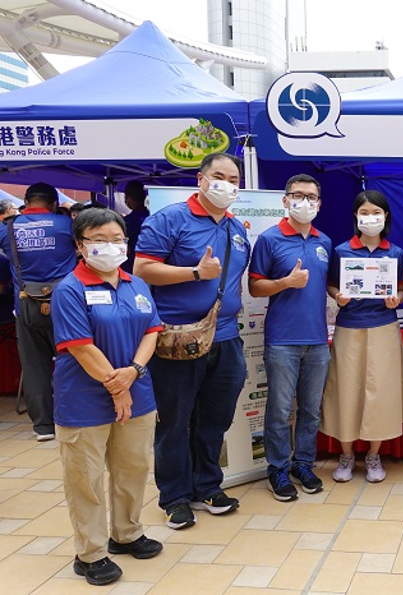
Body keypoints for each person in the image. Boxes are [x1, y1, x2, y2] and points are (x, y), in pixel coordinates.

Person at [134, 153, 250, 529]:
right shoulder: (169, 220)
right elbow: (142, 269)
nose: (226, 184)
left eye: (234, 178)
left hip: (227, 337)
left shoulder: (237, 228)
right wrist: (195, 272)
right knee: (175, 421)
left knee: (215, 419)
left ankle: (207, 486)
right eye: (219, 176)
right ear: (200, 179)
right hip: (177, 340)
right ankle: (175, 496)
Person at [51, 209, 164, 586]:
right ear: (81, 245)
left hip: (138, 392)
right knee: (85, 478)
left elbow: (152, 330)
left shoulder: (136, 284)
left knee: (132, 469)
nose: (110, 246)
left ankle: (127, 533)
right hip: (84, 399)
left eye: (118, 238)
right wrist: (117, 387)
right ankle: (91, 553)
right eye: (100, 238)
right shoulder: (70, 288)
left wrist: (132, 373)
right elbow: (81, 348)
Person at [321, 190, 403, 483]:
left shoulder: (396, 253)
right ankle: (346, 454)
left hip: (385, 327)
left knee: (381, 391)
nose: (370, 218)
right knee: (345, 389)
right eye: (364, 213)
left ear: (385, 216)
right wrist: (340, 297)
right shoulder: (341, 251)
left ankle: (374, 455)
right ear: (356, 217)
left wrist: (396, 300)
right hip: (349, 327)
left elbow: (402, 288)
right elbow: (331, 286)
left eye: (376, 213)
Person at [248, 174, 332, 501]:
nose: (305, 202)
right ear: (285, 200)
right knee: (280, 410)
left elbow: (331, 286)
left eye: (312, 197)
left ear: (319, 204)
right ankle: (278, 467)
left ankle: (303, 463)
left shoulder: (324, 241)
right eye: (298, 195)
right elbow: (255, 287)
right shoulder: (269, 239)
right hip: (282, 340)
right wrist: (286, 282)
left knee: (311, 409)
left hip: (317, 340)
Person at [0, 182, 77, 441]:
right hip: (66, 305)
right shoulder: (67, 226)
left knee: (34, 366)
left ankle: (43, 426)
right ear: (54, 203)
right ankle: (74, 416)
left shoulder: (7, 228)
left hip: (24, 305)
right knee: (74, 360)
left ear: (27, 200)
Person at [122, 181, 150, 274]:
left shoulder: (127, 221)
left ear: (128, 197)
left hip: (131, 265)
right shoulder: (153, 217)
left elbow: (124, 247)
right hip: (151, 263)